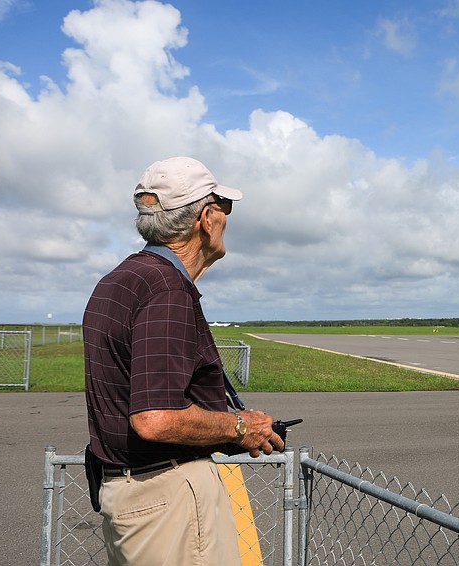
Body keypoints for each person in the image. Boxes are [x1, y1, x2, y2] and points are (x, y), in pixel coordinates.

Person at [83, 156, 284, 566]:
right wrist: (240, 426)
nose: (226, 219)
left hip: (133, 495)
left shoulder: (121, 279)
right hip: (168, 498)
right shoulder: (166, 289)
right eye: (224, 207)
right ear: (205, 219)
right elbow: (155, 418)